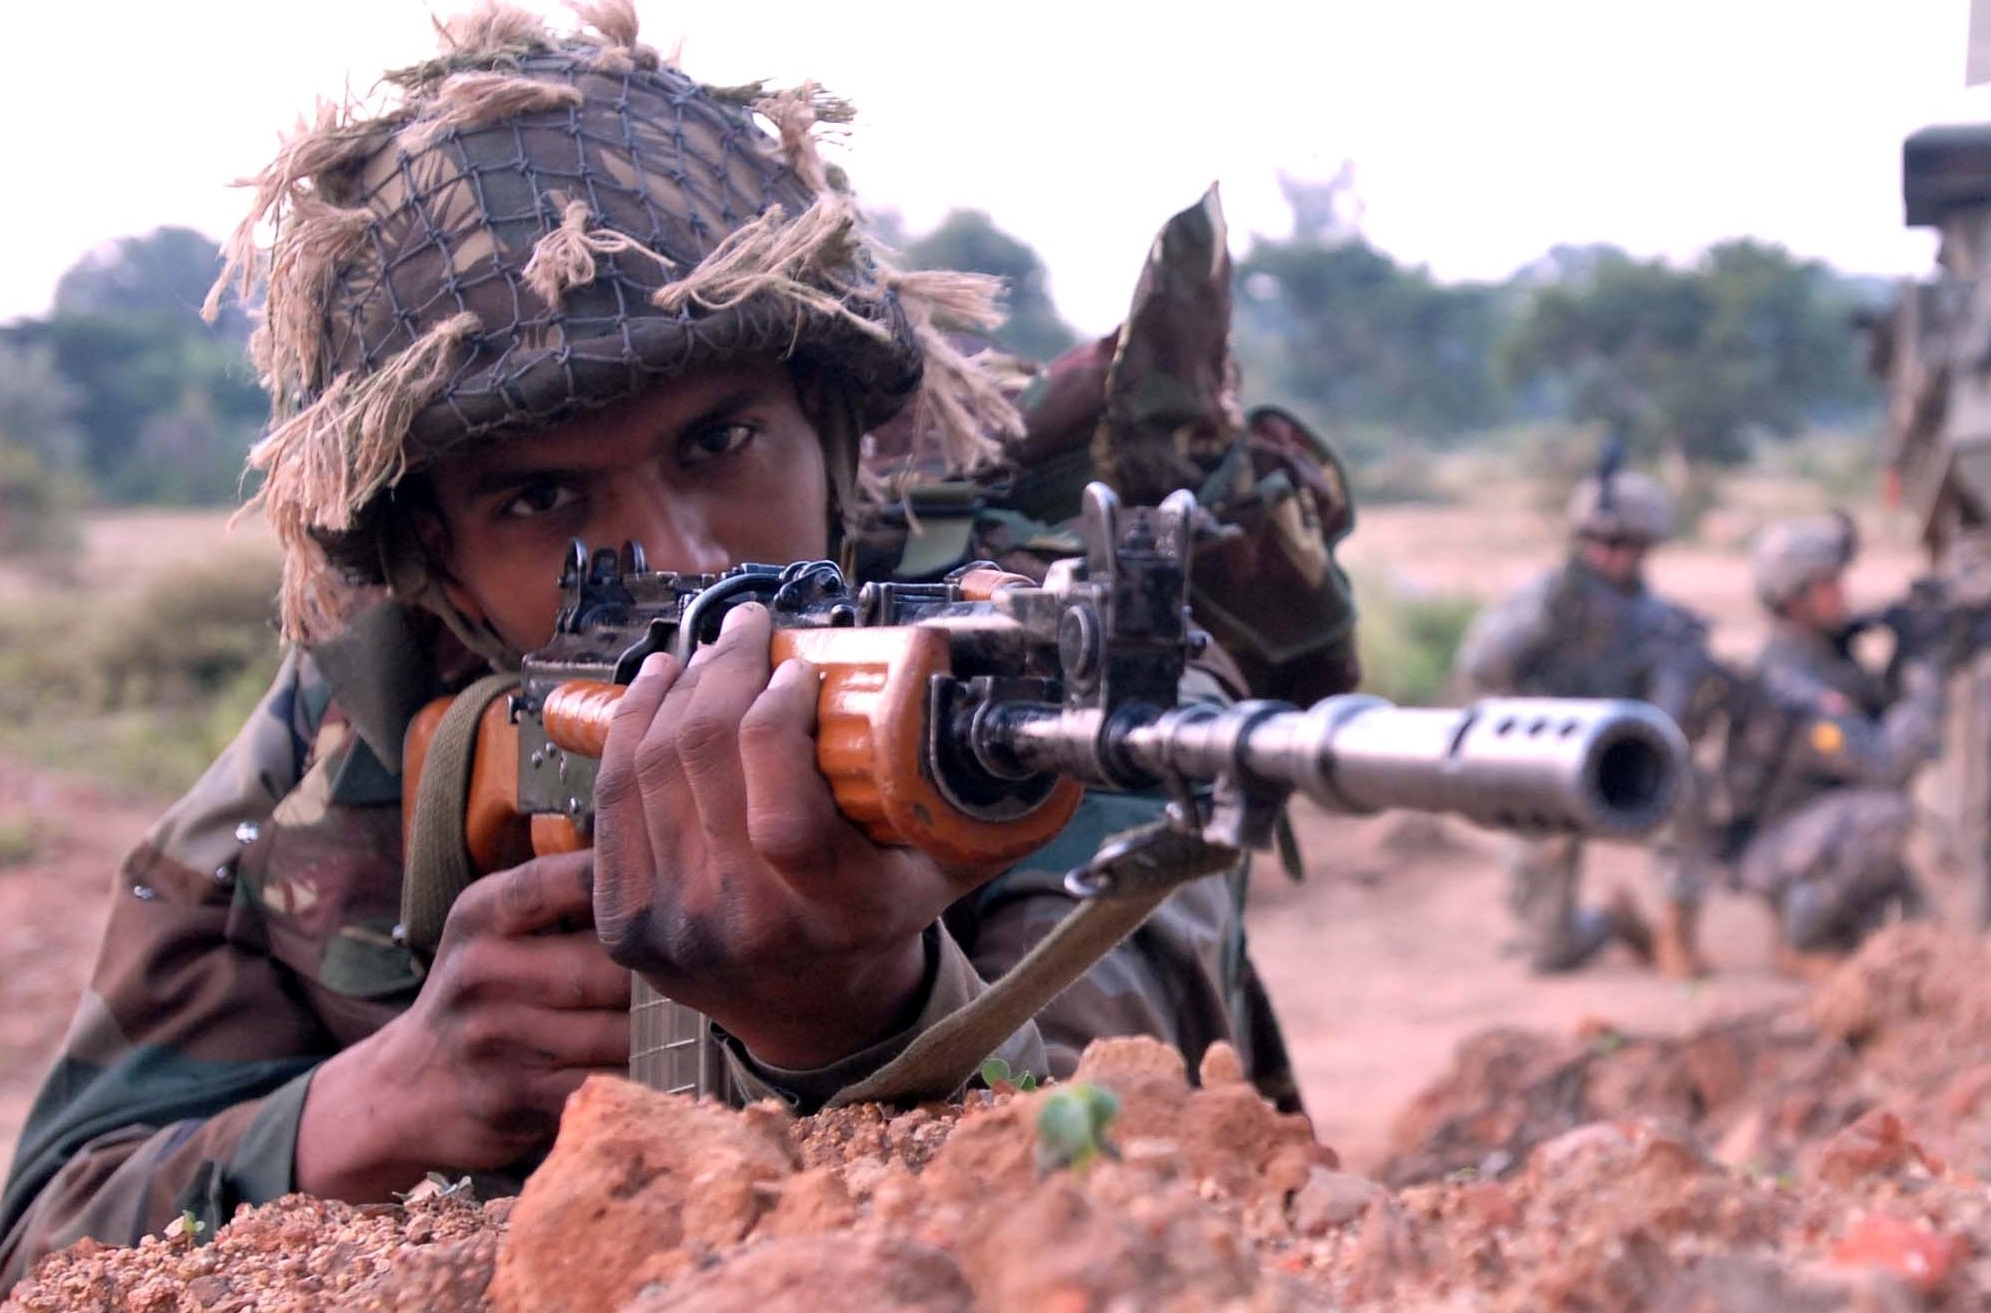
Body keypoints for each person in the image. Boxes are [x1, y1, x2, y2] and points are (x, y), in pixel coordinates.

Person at [0, 5, 1300, 1285]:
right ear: (438, 558)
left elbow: (1117, 1184)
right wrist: (388, 1097)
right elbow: (50, 1226)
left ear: (830, 429)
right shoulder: (368, 713)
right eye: (542, 499)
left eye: (718, 443)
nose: (682, 557)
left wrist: (849, 1011)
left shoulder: (1023, 681)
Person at [1455, 468, 1719, 978]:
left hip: (1622, 760)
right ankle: (1610, 923)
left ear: (1646, 548)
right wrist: (1540, 629)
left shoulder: (1661, 624)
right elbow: (1481, 669)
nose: (1606, 553)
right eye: (1595, 540)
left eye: (1622, 543)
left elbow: (1671, 721)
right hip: (1546, 764)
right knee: (1548, 955)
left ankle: (1676, 932)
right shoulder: (1545, 602)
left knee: (1687, 785)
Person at [1724, 514, 1946, 975]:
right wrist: (1927, 677)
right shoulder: (1788, 681)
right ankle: (1801, 941)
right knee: (1885, 816)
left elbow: (1877, 714)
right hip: (1776, 844)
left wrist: (1905, 649)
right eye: (1826, 584)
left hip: (1815, 830)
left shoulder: (1827, 658)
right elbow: (1883, 761)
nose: (1842, 593)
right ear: (1793, 600)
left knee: (1923, 920)